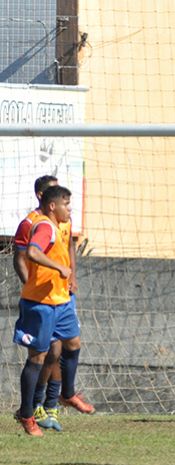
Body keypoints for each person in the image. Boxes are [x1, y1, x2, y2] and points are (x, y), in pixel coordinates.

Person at [13, 177, 93, 434]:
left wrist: (70, 276)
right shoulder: (42, 226)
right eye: (66, 204)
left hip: (62, 299)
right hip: (42, 303)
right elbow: (31, 253)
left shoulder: (62, 224)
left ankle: (66, 394)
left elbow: (68, 247)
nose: (70, 210)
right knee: (38, 358)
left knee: (72, 344)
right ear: (49, 204)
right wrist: (58, 268)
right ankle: (27, 415)